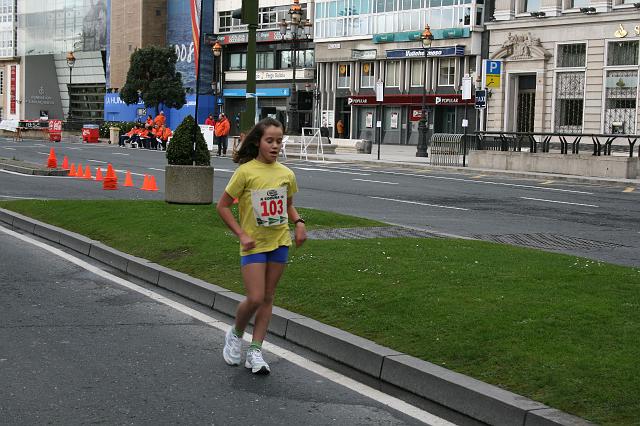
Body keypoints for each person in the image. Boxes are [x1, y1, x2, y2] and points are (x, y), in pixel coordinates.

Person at [217, 118, 307, 375]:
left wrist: (299, 223)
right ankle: (235, 334)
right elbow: (222, 206)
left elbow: (287, 204)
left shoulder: (286, 174)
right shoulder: (245, 172)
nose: (276, 145)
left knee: (267, 298)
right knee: (255, 297)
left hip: (279, 241)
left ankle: (255, 350)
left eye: (279, 141)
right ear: (258, 141)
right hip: (254, 244)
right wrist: (241, 234)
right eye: (270, 140)